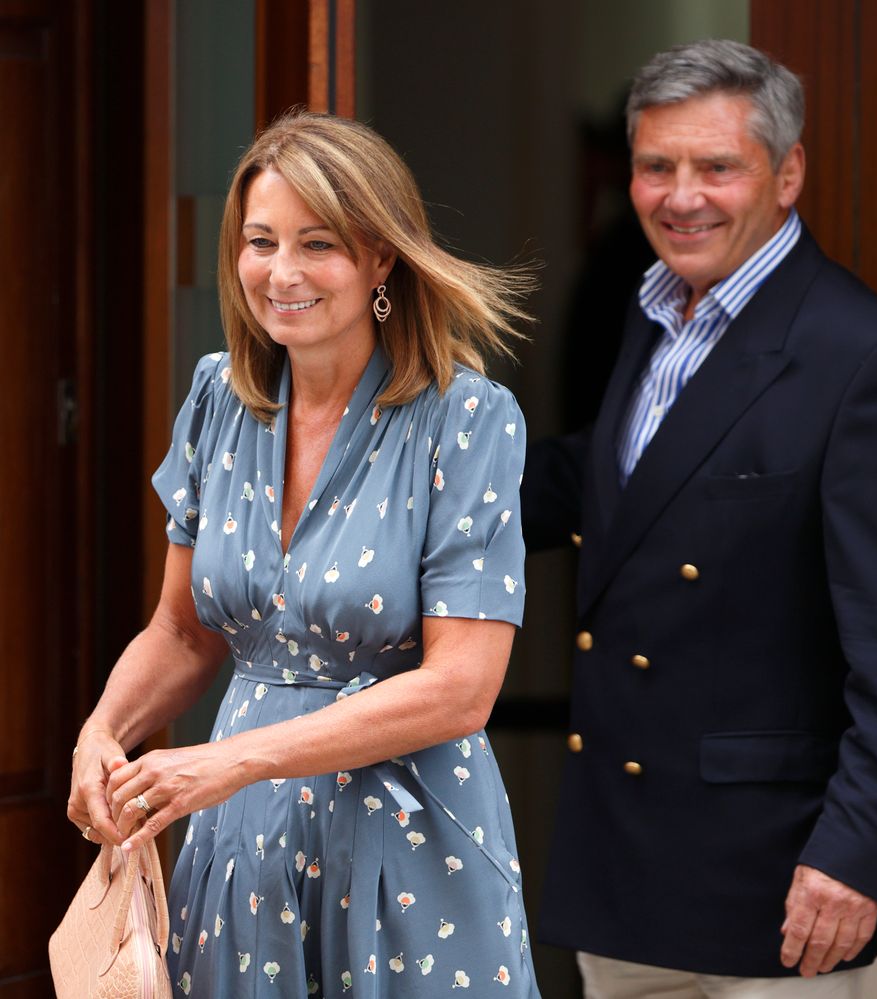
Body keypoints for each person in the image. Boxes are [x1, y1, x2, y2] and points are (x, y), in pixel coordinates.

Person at [522, 40, 877, 998]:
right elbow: (615, 489)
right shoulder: (653, 315)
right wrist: (396, 460)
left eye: (717, 166)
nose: (682, 196)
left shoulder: (862, 357)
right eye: (657, 167)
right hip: (627, 872)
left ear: (788, 171)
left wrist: (859, 856)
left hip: (783, 892)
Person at [67, 111, 542, 998]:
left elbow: (462, 688)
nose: (280, 272)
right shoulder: (218, 396)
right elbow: (183, 631)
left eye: (316, 243)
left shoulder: (466, 417)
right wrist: (103, 732)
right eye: (260, 241)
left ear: (380, 259)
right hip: (238, 838)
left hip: (407, 849)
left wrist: (235, 758)